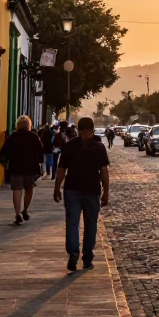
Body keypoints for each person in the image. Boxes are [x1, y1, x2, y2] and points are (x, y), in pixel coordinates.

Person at [53, 116, 110, 271]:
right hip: (91, 191)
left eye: (85, 131)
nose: (85, 134)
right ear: (92, 131)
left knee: (72, 223)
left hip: (73, 190)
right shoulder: (99, 147)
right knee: (90, 224)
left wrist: (57, 187)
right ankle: (87, 257)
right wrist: (106, 191)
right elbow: (104, 171)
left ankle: (73, 253)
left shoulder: (70, 146)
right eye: (84, 131)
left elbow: (61, 169)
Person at [0, 116, 44, 226]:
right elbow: (40, 151)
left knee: (17, 190)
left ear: (17, 125)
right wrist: (40, 162)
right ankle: (25, 210)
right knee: (29, 189)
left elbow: (4, 151)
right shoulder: (34, 137)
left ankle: (17, 213)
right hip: (31, 167)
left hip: (16, 167)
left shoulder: (12, 137)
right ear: (29, 125)